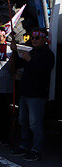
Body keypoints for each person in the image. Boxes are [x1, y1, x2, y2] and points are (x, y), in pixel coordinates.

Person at [11, 28, 55, 160]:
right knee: (23, 120)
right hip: (25, 93)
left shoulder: (48, 55)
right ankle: (24, 145)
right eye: (32, 38)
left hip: (37, 95)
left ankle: (36, 149)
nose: (34, 40)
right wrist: (14, 51)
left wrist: (30, 60)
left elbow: (43, 71)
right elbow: (19, 64)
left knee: (34, 123)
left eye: (37, 38)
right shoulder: (32, 52)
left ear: (44, 40)